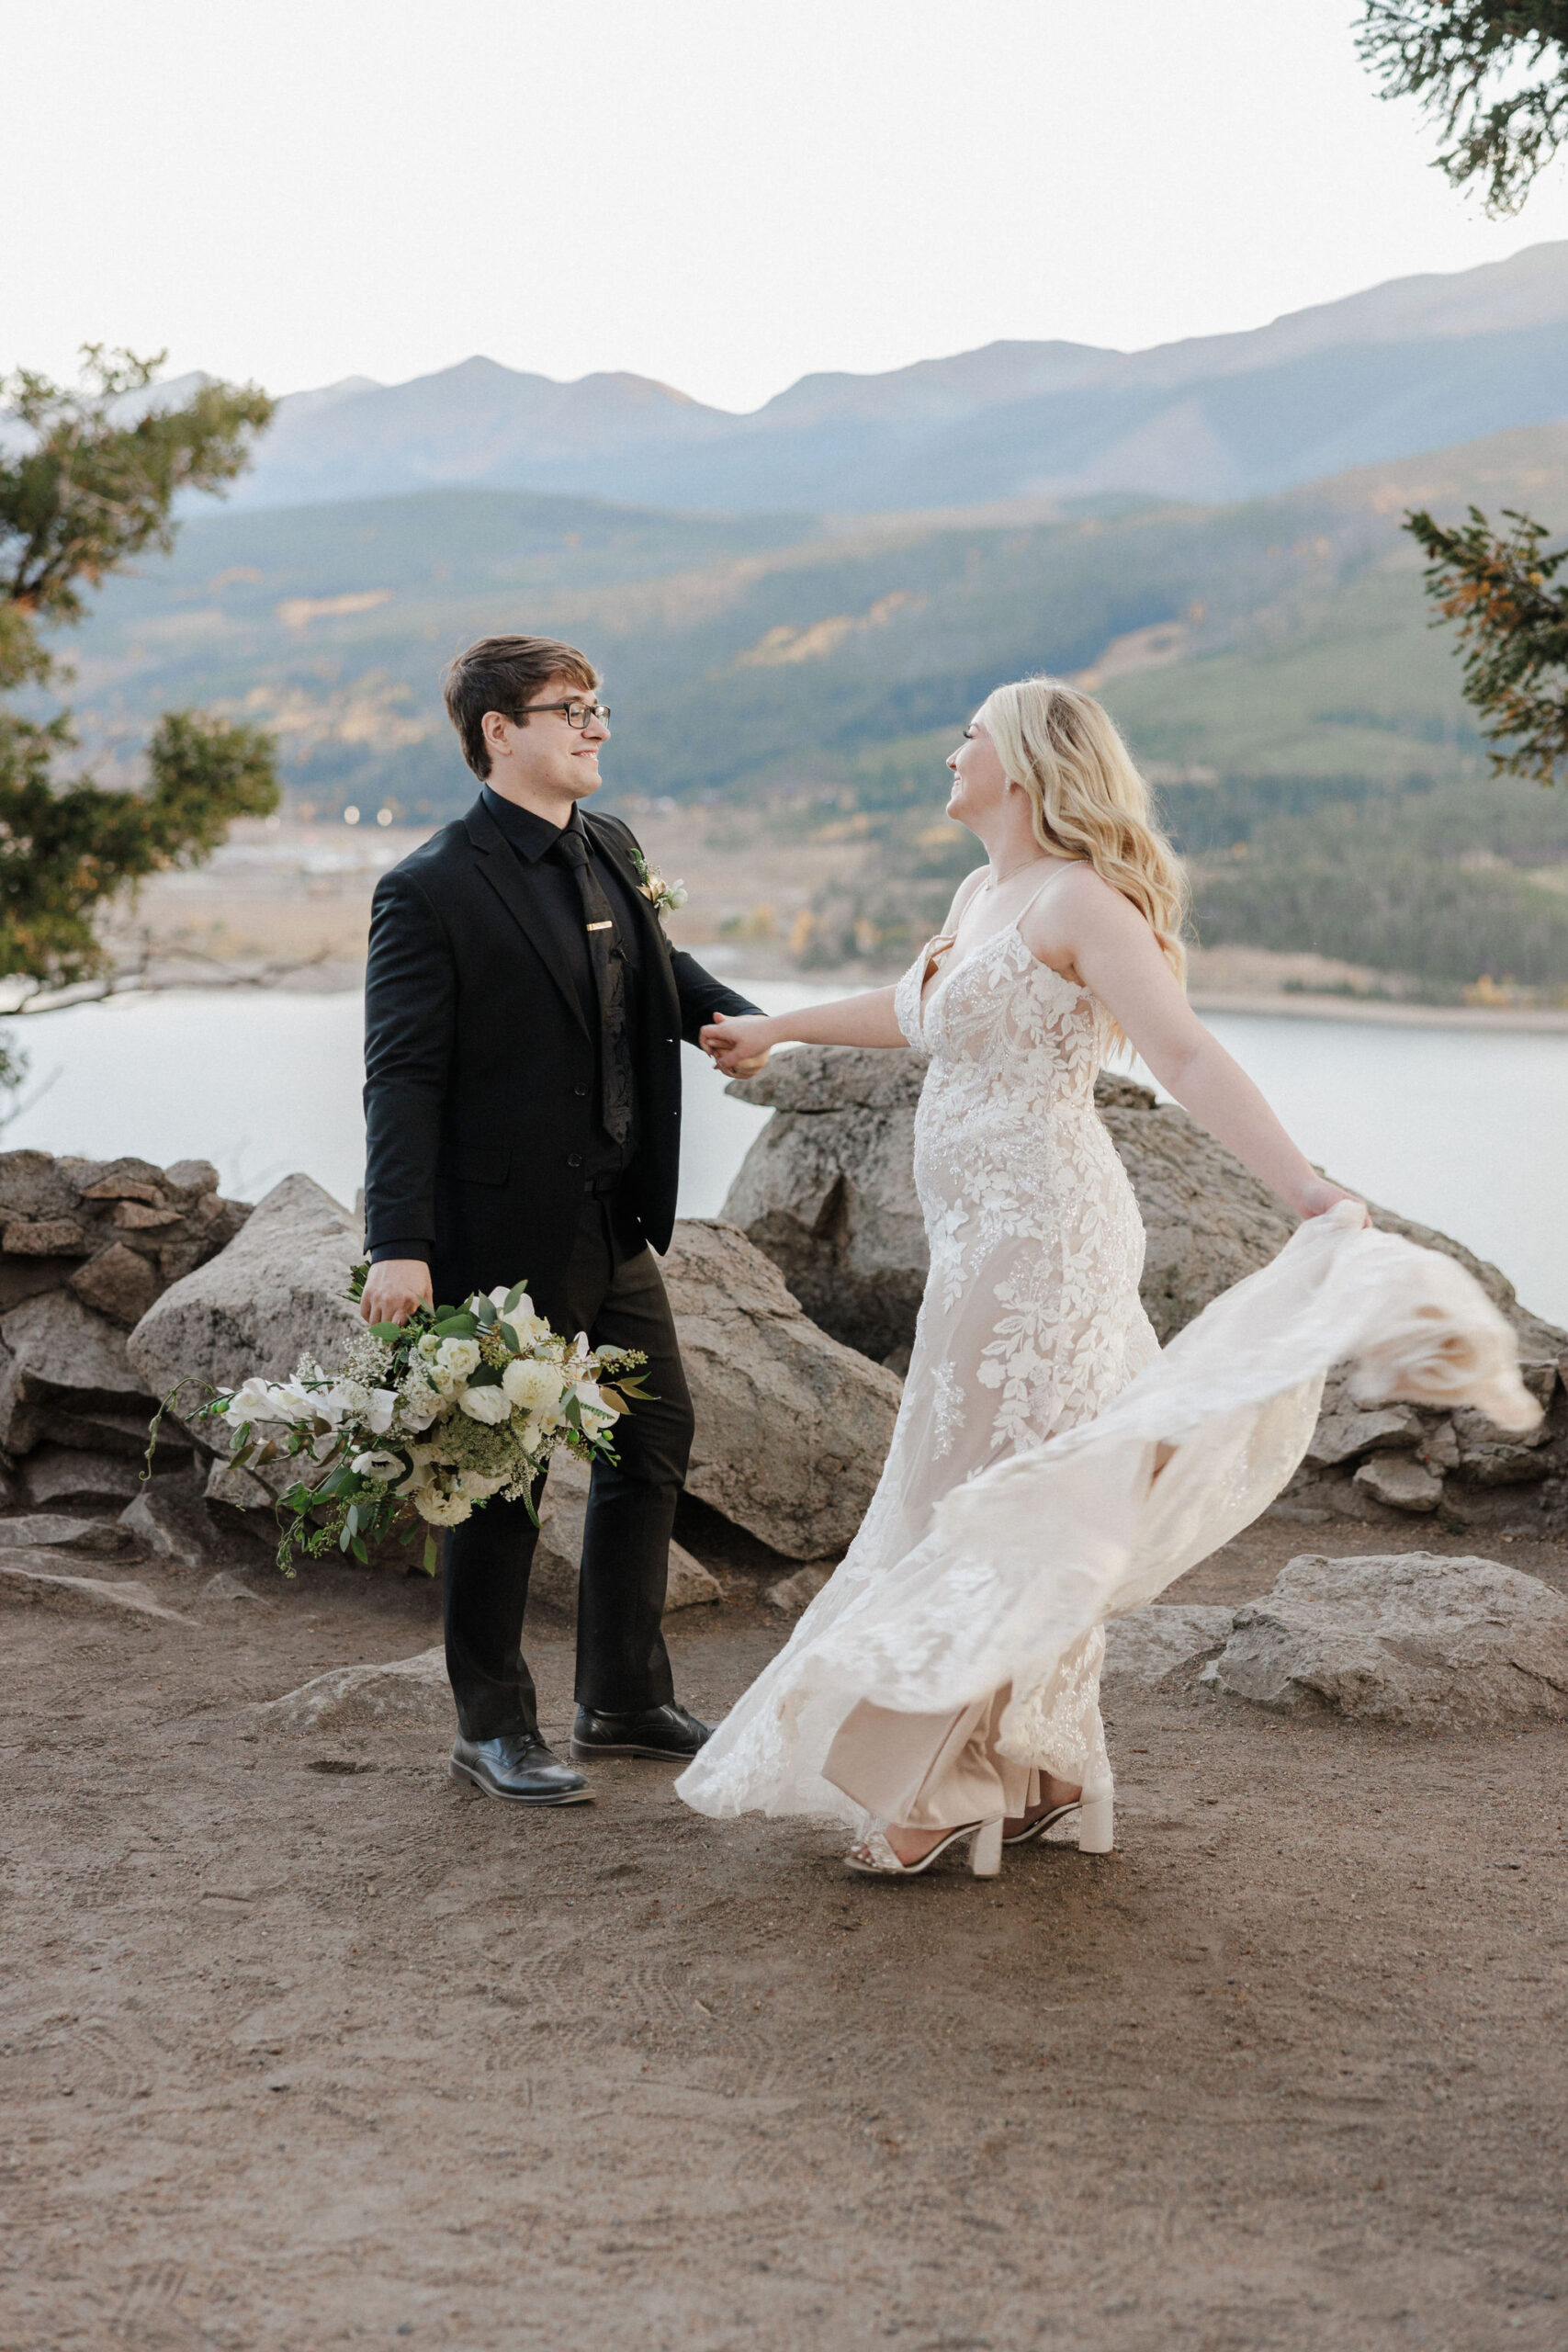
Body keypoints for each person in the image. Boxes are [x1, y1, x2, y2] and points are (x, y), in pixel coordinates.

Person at [688, 673, 1371, 1873]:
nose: (950, 750)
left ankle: (934, 1783)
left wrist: (1304, 1192)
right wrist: (779, 1024)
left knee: (987, 1498)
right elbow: (913, 1011)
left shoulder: (1079, 902)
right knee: (1010, 1491)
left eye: (969, 734)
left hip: (1045, 1238)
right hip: (975, 1241)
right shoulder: (980, 891)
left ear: (1024, 761)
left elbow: (1181, 1051)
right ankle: (1038, 1773)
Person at [360, 635, 765, 1807]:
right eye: (569, 709)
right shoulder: (429, 886)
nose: (595, 727)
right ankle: (491, 1727)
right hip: (495, 1238)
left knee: (652, 1444)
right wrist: (401, 1243)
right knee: (499, 1477)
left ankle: (624, 1698)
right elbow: (402, 1077)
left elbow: (656, 966)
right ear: (500, 731)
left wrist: (746, 1022)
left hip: (614, 1217)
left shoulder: (613, 845)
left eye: (598, 707)